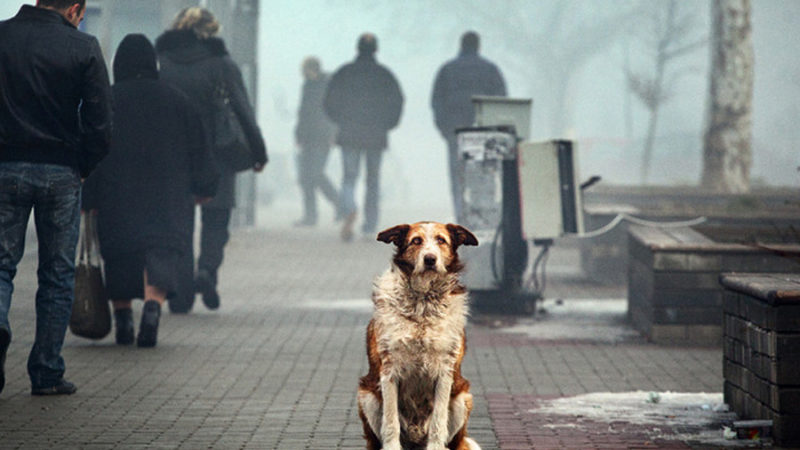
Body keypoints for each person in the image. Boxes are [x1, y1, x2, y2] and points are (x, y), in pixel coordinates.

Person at [0, 0, 112, 395]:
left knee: (0, 265)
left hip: (6, 165)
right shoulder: (83, 47)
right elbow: (101, 122)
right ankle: (47, 372)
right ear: (75, 9)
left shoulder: (2, 36)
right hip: (62, 171)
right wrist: (82, 164)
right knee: (57, 275)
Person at [82, 35, 219, 348]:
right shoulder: (178, 101)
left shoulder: (106, 100)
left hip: (116, 196)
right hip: (167, 197)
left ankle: (124, 320)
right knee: (160, 251)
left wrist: (87, 197)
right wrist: (205, 188)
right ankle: (153, 310)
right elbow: (201, 149)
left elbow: (89, 150)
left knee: (119, 254)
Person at [155, 7, 267, 311]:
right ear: (212, 30)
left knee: (180, 223)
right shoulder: (222, 64)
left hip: (175, 156)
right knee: (217, 220)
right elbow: (243, 110)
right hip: (220, 154)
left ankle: (181, 294)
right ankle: (207, 271)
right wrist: (258, 152)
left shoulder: (162, 62)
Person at [324, 33, 403, 241]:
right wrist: (388, 124)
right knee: (373, 180)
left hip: (349, 133)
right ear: (376, 50)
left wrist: (339, 120)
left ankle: (349, 208)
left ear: (357, 48)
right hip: (376, 135)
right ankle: (370, 225)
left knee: (349, 177)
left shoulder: (344, 73)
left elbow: (329, 100)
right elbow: (398, 101)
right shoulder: (385, 75)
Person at [431, 31, 507, 221]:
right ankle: (483, 217)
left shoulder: (447, 69)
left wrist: (443, 128)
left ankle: (461, 217)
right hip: (484, 132)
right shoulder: (491, 70)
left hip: (455, 131)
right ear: (478, 46)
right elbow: (502, 100)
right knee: (485, 175)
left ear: (461, 45)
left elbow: (436, 101)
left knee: (458, 178)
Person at [294, 56, 338, 227]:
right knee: (306, 178)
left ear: (312, 69)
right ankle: (310, 216)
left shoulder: (328, 85)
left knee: (316, 174)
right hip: (308, 138)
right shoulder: (307, 86)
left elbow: (334, 111)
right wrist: (298, 134)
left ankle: (340, 204)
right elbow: (303, 112)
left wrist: (333, 133)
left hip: (322, 137)